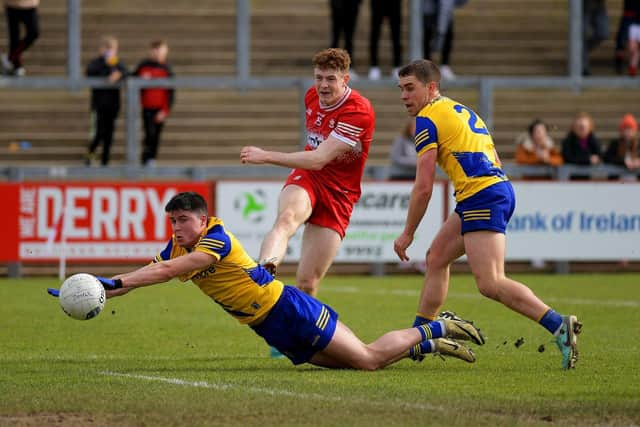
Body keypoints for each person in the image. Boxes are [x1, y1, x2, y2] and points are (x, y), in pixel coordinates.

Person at [47, 192, 485, 368]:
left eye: (183, 220)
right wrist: (93, 288)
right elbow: (150, 273)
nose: (176, 227)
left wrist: (108, 283)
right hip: (266, 326)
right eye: (172, 221)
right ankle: (424, 343)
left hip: (288, 309)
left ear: (203, 219)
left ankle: (436, 325)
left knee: (368, 360)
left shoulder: (215, 239)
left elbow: (165, 272)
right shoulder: (176, 244)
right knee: (349, 365)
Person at [393, 59, 582, 369]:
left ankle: (559, 326)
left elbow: (423, 186)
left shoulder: (426, 119)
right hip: (487, 191)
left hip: (482, 195)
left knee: (491, 282)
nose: (404, 96)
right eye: (400, 89)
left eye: (410, 88)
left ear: (431, 88)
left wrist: (407, 232)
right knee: (437, 256)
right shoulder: (460, 110)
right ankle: (421, 337)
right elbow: (492, 154)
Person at [240, 48, 375, 298]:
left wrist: (266, 155)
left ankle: (305, 335)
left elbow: (319, 158)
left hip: (340, 192)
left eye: (330, 79)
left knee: (307, 283)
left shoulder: (358, 110)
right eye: (318, 77)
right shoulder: (311, 96)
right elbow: (313, 162)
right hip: (309, 178)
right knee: (287, 218)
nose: (323, 86)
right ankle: (263, 272)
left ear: (345, 80)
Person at [85, 36, 128, 167]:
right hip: (98, 105)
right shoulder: (96, 63)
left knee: (109, 135)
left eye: (112, 49)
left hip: (113, 105)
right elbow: (90, 72)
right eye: (107, 48)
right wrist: (107, 67)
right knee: (98, 134)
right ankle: (90, 156)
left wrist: (118, 73)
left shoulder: (117, 64)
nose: (109, 51)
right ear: (101, 49)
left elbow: (127, 72)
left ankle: (105, 161)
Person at [133, 39, 175, 167]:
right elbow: (132, 79)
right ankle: (145, 158)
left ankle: (151, 159)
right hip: (147, 107)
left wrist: (165, 110)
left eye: (160, 50)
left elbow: (171, 93)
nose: (158, 53)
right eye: (155, 50)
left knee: (156, 135)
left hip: (160, 108)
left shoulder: (167, 69)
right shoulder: (143, 65)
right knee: (149, 134)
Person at [422, 0, 467, 81]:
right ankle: (427, 67)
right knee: (427, 32)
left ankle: (445, 65)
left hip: (445, 7)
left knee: (446, 28)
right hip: (427, 8)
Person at [1, 0, 39, 76]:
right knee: (14, 38)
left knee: (33, 33)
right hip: (12, 5)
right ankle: (16, 65)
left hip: (29, 5)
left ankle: (11, 58)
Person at [367, 0, 402, 81]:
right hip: (378, 4)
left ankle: (397, 66)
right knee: (375, 34)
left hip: (394, 4)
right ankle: (373, 66)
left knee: (396, 35)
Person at [561, 112, 602, 179]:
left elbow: (599, 155)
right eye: (579, 127)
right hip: (571, 177)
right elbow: (568, 158)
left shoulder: (593, 140)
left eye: (584, 127)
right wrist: (588, 159)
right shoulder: (568, 141)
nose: (582, 129)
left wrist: (596, 159)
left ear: (589, 127)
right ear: (574, 127)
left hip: (590, 177)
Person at [329, 0, 362, 76]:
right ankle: (332, 67)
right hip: (338, 6)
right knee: (335, 38)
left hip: (352, 7)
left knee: (349, 39)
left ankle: (348, 68)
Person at [582, 0, 609, 76]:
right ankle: (584, 68)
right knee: (581, 36)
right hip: (583, 7)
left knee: (603, 33)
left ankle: (582, 52)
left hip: (599, 6)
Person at [627, 0, 640, 76]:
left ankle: (633, 67)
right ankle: (632, 67)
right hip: (634, 24)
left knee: (635, 50)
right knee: (633, 49)